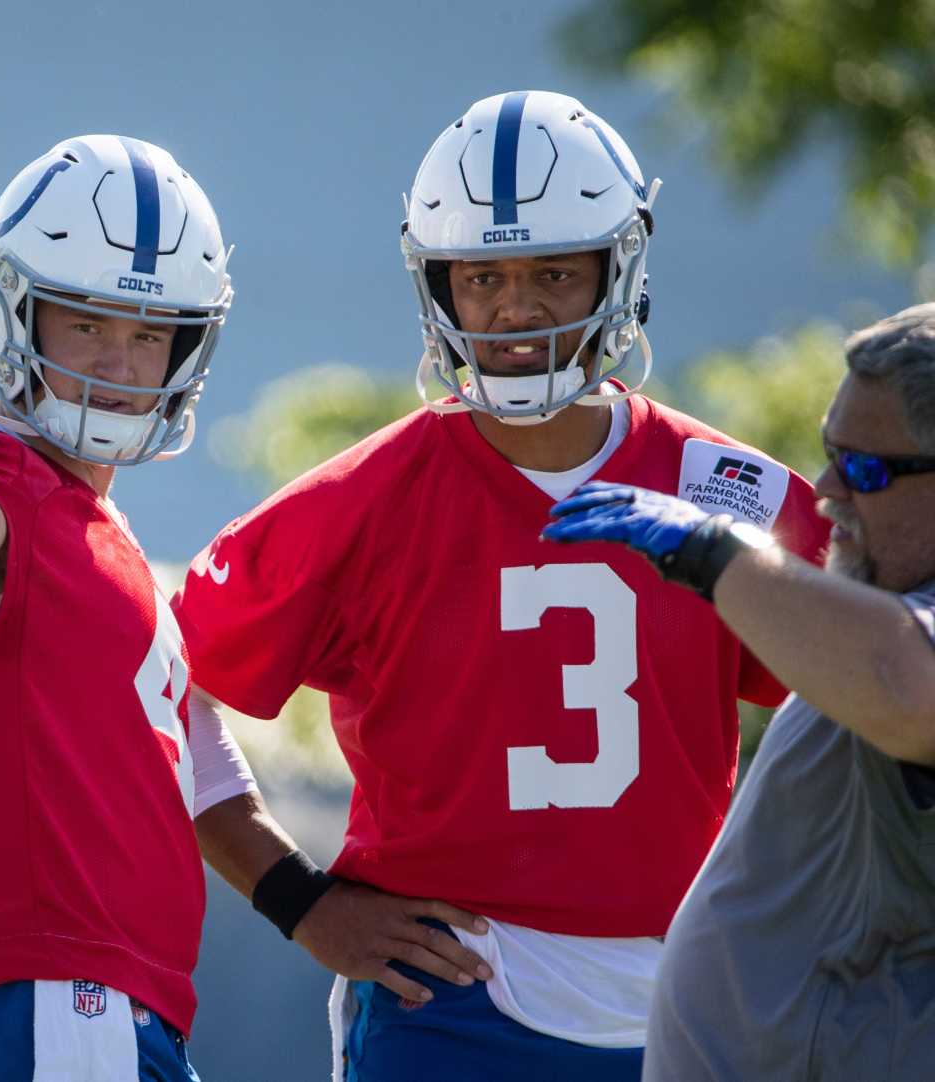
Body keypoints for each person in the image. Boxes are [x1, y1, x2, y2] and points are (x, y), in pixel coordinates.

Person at [172, 91, 832, 1080]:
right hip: (449, 994)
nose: (516, 305)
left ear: (620, 269)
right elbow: (153, 679)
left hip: (687, 992)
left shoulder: (731, 490)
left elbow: (878, 696)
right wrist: (294, 896)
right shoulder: (362, 498)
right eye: (483, 275)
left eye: (554, 271)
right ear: (439, 283)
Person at [0, 134, 246, 1081]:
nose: (120, 361)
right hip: (52, 1006)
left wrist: (307, 901)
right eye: (87, 324)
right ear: (16, 315)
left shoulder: (100, 527)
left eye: (151, 334)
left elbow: (189, 761)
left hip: (92, 1012)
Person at [543, 303, 935, 1081]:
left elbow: (910, 691)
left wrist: (712, 553)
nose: (826, 492)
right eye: (831, 456)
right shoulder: (882, 603)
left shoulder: (897, 642)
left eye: (865, 470)